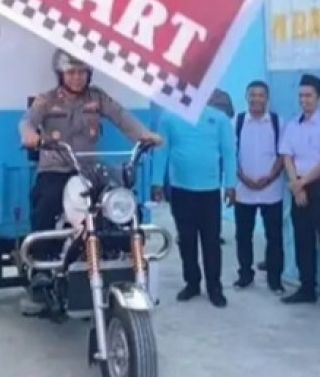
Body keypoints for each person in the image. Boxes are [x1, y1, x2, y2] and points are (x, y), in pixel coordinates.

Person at [19, 51, 160, 297]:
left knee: (121, 200)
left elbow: (122, 117)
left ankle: (124, 254)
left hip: (88, 170)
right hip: (56, 168)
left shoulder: (97, 98)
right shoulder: (47, 100)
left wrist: (144, 135)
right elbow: (27, 121)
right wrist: (29, 135)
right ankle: (41, 266)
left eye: (81, 72)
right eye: (71, 73)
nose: (76, 78)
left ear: (89, 73)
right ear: (61, 74)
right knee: (45, 201)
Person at [151, 96, 237, 307]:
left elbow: (228, 153)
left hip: (210, 191)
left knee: (211, 241)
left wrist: (231, 184)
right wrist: (156, 182)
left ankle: (214, 287)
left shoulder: (219, 119)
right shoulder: (169, 118)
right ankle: (192, 283)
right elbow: (162, 150)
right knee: (187, 240)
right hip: (181, 190)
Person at [278, 73, 320, 315]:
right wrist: (296, 184)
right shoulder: (293, 125)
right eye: (301, 96)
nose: (304, 100)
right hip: (299, 186)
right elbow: (287, 155)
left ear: (319, 98)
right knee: (302, 240)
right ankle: (307, 288)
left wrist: (301, 183)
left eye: (308, 96)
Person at [232, 81, 285, 293]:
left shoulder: (277, 122)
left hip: (271, 190)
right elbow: (230, 154)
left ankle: (275, 280)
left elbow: (283, 154)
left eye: (260, 95)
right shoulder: (236, 121)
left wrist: (269, 177)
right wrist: (242, 178)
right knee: (243, 235)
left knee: (274, 236)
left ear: (267, 98)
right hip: (243, 190)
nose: (256, 99)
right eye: (252, 95)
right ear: (246, 97)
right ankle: (245, 275)